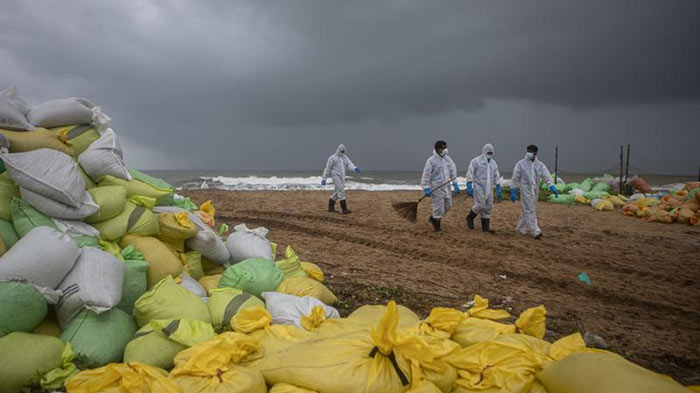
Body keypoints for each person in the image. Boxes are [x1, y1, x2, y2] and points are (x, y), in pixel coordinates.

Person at [510, 144, 558, 239]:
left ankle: (520, 228)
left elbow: (546, 176)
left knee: (528, 209)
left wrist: (552, 186)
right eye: (528, 151)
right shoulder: (521, 164)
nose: (528, 153)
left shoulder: (540, 165)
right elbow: (515, 178)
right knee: (530, 209)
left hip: (535, 190)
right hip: (525, 189)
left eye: (531, 151)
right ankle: (535, 231)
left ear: (535, 153)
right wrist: (513, 190)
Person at [421, 140, 458, 232]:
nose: (445, 149)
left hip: (446, 187)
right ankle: (437, 226)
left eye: (446, 147)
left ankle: (433, 217)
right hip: (436, 188)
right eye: (443, 147)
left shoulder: (448, 159)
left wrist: (455, 183)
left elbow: (453, 170)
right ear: (438, 149)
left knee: (448, 206)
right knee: (439, 207)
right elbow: (426, 175)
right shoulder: (431, 161)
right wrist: (426, 188)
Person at [465, 143, 501, 233]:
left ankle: (485, 227)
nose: (489, 154)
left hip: (489, 187)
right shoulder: (476, 161)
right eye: (488, 152)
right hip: (479, 186)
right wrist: (469, 183)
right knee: (480, 204)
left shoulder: (493, 163)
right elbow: (470, 172)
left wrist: (498, 186)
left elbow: (496, 175)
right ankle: (470, 217)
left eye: (491, 153)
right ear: (484, 152)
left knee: (488, 206)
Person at [322, 143, 360, 214]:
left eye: (343, 151)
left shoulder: (345, 157)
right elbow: (327, 169)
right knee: (341, 191)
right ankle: (344, 209)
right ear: (338, 150)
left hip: (342, 177)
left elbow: (349, 164)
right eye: (341, 151)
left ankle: (331, 207)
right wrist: (324, 178)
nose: (342, 153)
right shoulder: (332, 158)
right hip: (335, 177)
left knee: (337, 192)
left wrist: (355, 168)